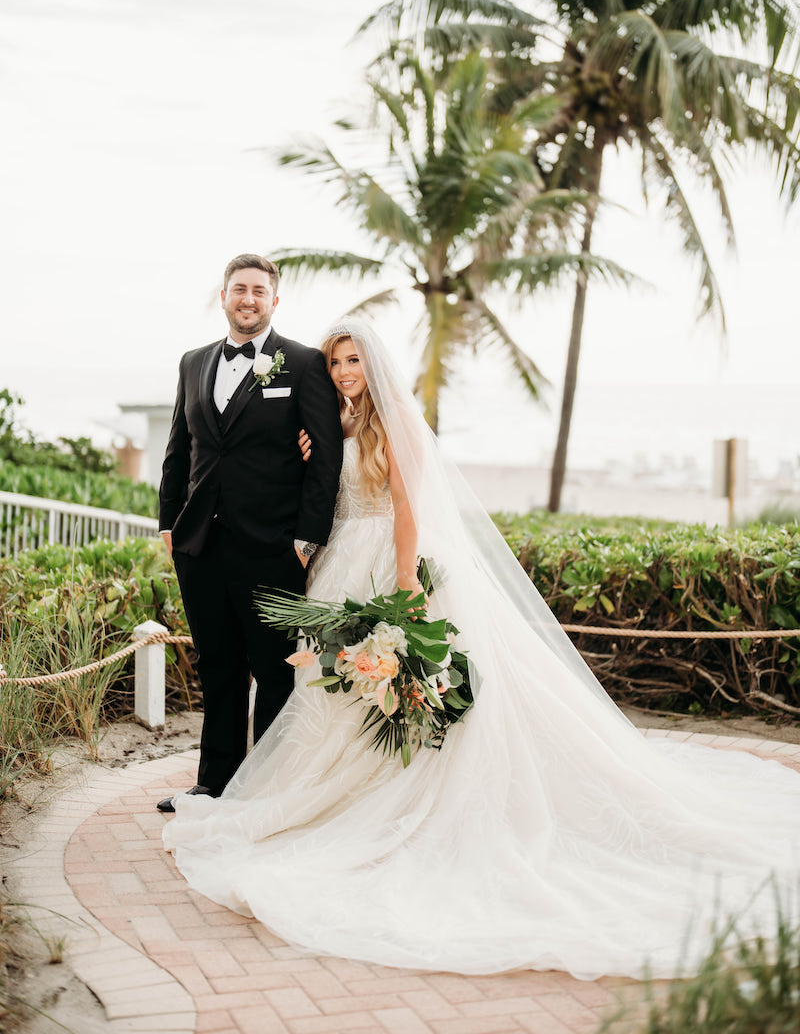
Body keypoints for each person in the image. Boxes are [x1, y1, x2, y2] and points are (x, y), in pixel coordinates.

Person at [162, 318, 800, 981]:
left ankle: (390, 799)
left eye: (354, 361)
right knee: (344, 696)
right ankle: (345, 795)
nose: (345, 372)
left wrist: (405, 585)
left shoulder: (396, 424)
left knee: (403, 691)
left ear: (374, 365)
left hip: (389, 562)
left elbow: (408, 506)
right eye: (335, 362)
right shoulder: (339, 423)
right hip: (338, 563)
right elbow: (322, 489)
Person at [156, 254, 343, 812]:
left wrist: (307, 538)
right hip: (200, 546)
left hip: (273, 546)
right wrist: (169, 524)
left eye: (260, 291)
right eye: (240, 289)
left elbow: (326, 458)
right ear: (224, 296)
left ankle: (265, 787)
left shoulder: (304, 363)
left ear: (274, 302)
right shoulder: (193, 363)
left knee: (273, 671)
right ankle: (213, 784)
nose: (249, 299)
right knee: (217, 665)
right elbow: (178, 450)